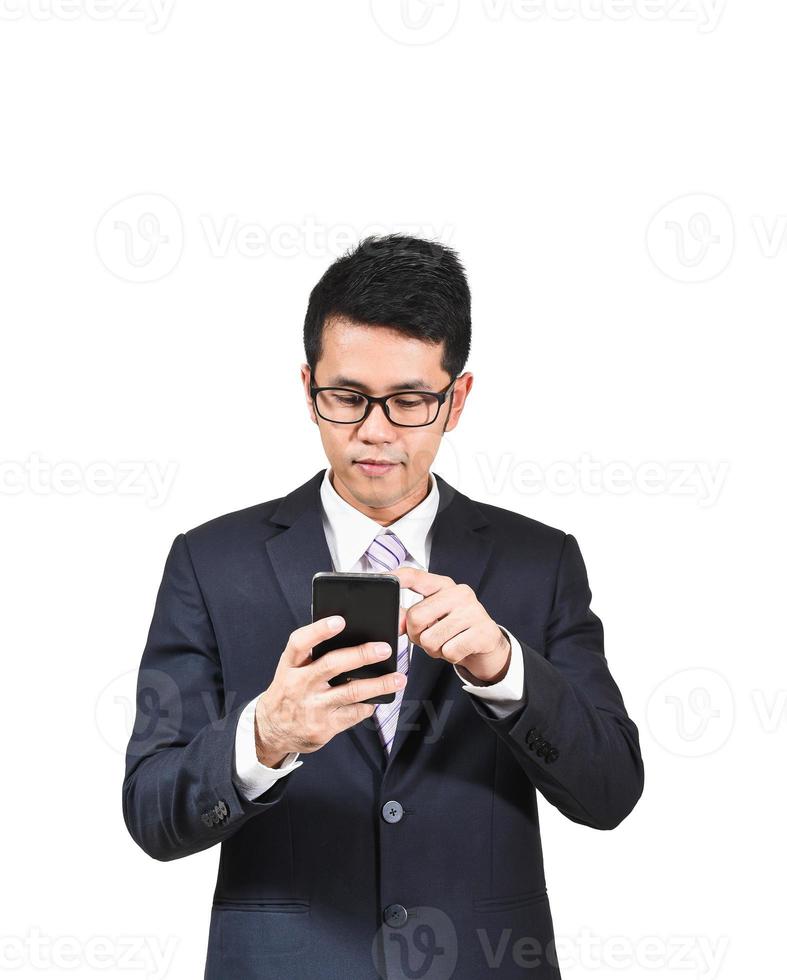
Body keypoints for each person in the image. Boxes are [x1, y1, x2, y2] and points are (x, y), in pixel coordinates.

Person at [122, 234, 644, 980]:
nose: (373, 430)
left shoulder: (540, 562)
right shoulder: (211, 563)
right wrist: (263, 739)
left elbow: (610, 793)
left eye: (408, 401)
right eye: (345, 397)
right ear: (308, 389)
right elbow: (151, 812)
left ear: (455, 400)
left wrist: (503, 669)